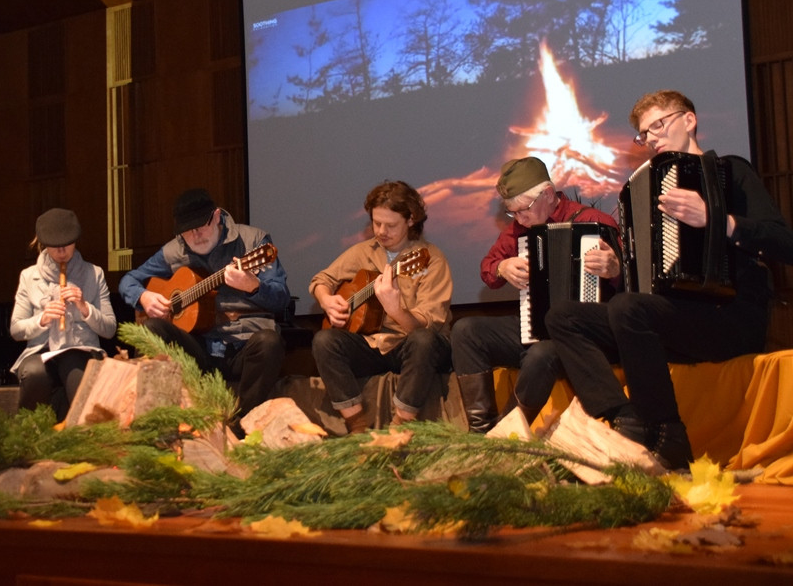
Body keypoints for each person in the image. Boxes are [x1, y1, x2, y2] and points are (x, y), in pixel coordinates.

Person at [544, 90, 793, 470]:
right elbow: (652, 276)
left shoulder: (731, 171)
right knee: (564, 316)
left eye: (658, 126)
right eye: (644, 135)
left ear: (689, 120)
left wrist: (717, 219)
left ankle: (669, 436)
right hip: (672, 320)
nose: (651, 139)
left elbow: (783, 243)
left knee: (628, 308)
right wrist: (618, 271)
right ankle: (624, 420)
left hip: (731, 317)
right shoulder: (645, 191)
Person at [449, 157, 621, 433]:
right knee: (466, 330)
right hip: (535, 325)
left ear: (549, 195)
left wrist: (614, 267)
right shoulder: (518, 231)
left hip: (586, 336)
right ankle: (481, 431)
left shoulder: (595, 222)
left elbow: (631, 284)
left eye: (524, 210)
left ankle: (506, 435)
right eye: (512, 212)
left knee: (542, 352)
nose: (520, 219)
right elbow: (487, 270)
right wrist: (502, 267)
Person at [119, 188, 290, 430]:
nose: (195, 235)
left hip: (245, 343)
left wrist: (253, 286)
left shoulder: (253, 240)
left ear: (217, 216)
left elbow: (281, 298)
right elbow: (128, 281)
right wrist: (144, 296)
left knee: (270, 342)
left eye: (201, 226)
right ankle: (157, 423)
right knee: (152, 328)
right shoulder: (173, 251)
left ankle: (240, 424)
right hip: (200, 346)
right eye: (187, 231)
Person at [311, 180, 453, 434]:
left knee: (424, 340)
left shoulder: (429, 258)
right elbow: (321, 280)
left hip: (411, 348)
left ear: (411, 220)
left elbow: (431, 324)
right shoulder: (363, 251)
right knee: (324, 340)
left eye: (391, 225)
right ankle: (356, 426)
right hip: (372, 345)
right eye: (376, 223)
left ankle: (400, 427)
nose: (381, 231)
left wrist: (396, 310)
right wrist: (327, 300)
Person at [9, 208, 117, 420]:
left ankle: (82, 436)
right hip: (41, 351)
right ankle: (33, 434)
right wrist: (42, 319)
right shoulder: (29, 277)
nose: (61, 252)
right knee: (35, 373)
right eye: (55, 246)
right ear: (43, 244)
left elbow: (110, 329)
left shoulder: (94, 274)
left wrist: (85, 308)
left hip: (82, 348)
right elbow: (16, 330)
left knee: (74, 366)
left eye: (67, 244)